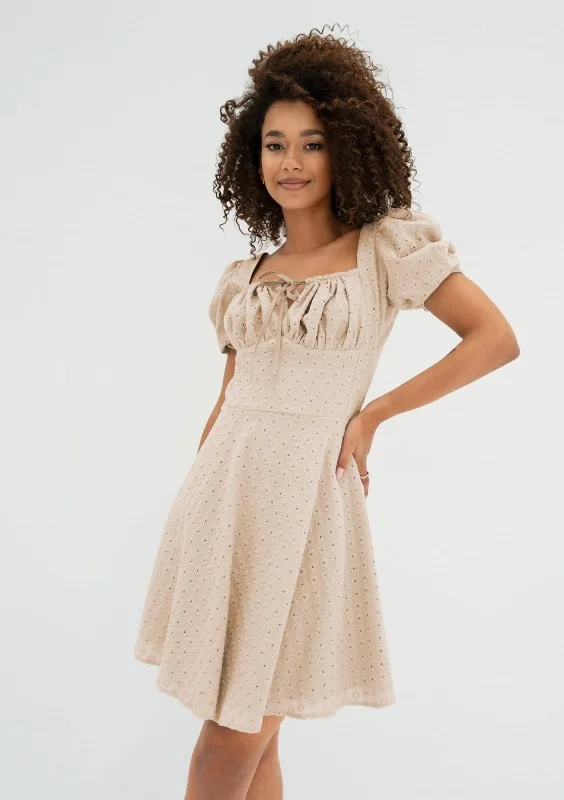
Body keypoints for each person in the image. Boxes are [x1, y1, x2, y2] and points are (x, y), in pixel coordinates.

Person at [134, 25, 520, 800]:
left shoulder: (384, 250)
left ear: (346, 148)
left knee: (226, 747)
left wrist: (373, 415)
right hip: (222, 507)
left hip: (306, 511)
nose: (291, 161)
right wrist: (196, 507)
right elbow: (227, 402)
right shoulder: (245, 275)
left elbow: (494, 339)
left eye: (311, 143)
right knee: (256, 743)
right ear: (252, 158)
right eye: (274, 144)